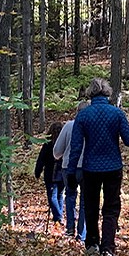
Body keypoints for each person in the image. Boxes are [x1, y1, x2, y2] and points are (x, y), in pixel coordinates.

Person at [67, 78, 129, 256]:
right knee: (111, 208)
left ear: (90, 93)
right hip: (113, 167)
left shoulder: (83, 115)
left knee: (90, 206)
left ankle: (91, 244)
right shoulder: (117, 113)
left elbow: (75, 147)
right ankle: (108, 248)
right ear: (107, 93)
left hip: (90, 168)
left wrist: (71, 171)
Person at [53, 101, 89, 241]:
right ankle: (82, 234)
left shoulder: (68, 126)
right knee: (85, 200)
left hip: (68, 167)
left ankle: (69, 229)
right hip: (87, 168)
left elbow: (56, 152)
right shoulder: (91, 127)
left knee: (70, 195)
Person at [34, 121, 65, 225]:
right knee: (59, 195)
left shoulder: (48, 144)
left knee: (53, 196)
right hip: (62, 173)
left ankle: (58, 217)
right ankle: (58, 217)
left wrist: (37, 172)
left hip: (51, 174)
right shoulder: (64, 144)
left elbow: (41, 159)